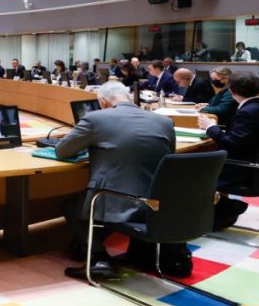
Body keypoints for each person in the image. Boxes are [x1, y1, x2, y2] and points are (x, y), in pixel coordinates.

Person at [55, 82, 179, 279]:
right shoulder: (164, 122)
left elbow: (62, 151)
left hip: (118, 202)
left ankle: (99, 258)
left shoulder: (95, 118)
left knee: (71, 206)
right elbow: (170, 156)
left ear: (103, 102)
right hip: (158, 202)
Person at [198, 71, 259, 230]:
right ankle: (222, 212)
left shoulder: (248, 111)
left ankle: (227, 210)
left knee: (190, 170)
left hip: (244, 170)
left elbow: (233, 144)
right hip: (249, 163)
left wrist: (210, 128)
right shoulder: (253, 107)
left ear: (231, 91)